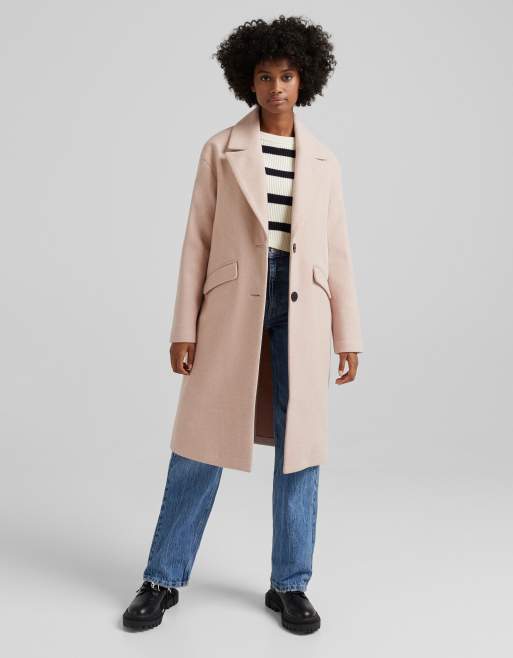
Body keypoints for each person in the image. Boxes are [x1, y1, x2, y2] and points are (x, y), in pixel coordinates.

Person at [122, 15, 363, 635]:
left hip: (303, 307)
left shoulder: (325, 161)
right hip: (233, 303)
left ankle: (290, 585)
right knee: (200, 442)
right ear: (247, 82)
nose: (276, 87)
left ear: (304, 80)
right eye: (264, 76)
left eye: (286, 75)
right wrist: (184, 326)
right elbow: (196, 241)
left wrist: (348, 335)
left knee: (299, 448)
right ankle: (161, 578)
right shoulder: (220, 150)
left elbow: (337, 251)